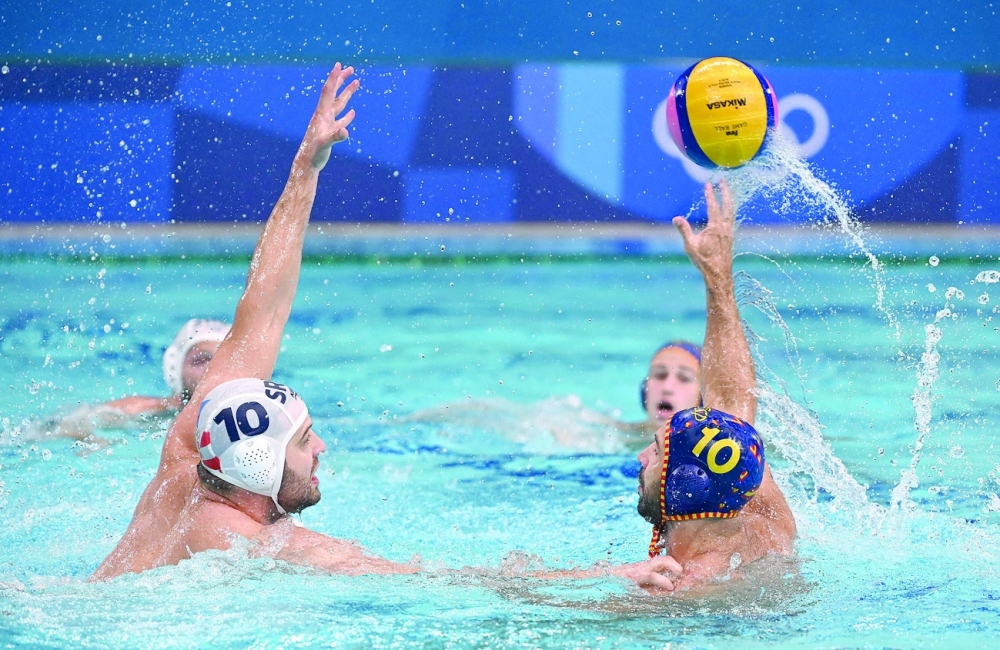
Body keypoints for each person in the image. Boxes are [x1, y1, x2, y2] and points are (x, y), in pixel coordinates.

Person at [90, 63, 678, 592]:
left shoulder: (191, 450)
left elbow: (263, 309)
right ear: (259, 468)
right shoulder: (245, 540)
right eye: (302, 444)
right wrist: (610, 574)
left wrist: (306, 169)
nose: (321, 447)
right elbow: (436, 581)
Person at [634, 181, 797, 592]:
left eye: (655, 453)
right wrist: (717, 275)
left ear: (683, 484)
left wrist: (611, 575)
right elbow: (733, 405)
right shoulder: (759, 511)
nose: (640, 456)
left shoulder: (683, 587)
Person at [38, 318, 230, 443]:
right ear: (175, 369)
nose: (213, 369)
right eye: (201, 360)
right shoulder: (153, 412)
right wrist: (93, 439)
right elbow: (57, 425)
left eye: (225, 360)